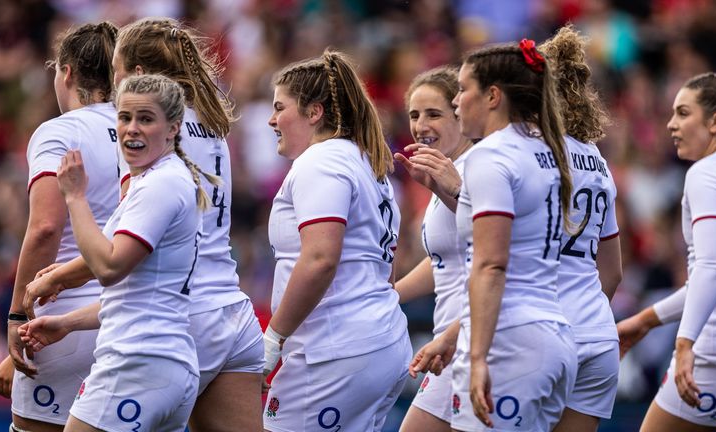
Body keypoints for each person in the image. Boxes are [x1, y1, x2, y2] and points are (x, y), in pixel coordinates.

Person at [20, 74, 212, 431]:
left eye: (146, 119)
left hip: (136, 363)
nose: (132, 129)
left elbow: (108, 268)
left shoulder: (161, 184)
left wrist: (75, 197)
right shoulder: (157, 179)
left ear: (173, 128)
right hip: (163, 365)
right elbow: (137, 294)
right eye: (125, 118)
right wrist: (67, 322)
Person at [111, 18, 264, 432]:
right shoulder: (210, 121)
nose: (114, 86)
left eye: (117, 72)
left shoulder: (143, 130)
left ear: (139, 76)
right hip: (231, 311)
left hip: (178, 316)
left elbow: (124, 250)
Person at [264, 48, 412, 432]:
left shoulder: (322, 161)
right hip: (375, 340)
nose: (271, 119)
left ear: (314, 113)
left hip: (336, 351)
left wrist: (274, 338)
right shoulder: (365, 161)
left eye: (281, 107)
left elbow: (320, 259)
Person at [617, 69, 716, 431]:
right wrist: (645, 321)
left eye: (683, 113)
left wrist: (684, 345)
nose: (669, 124)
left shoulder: (707, 174)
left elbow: (712, 269)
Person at [450, 40, 578, 431]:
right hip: (551, 332)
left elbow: (491, 264)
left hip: (510, 342)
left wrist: (478, 358)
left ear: (492, 96)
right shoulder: (544, 149)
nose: (456, 101)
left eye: (462, 88)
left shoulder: (492, 156)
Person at [5, 22, 120, 432]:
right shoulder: (142, 130)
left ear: (67, 72)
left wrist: (18, 316)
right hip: (129, 316)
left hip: (59, 321)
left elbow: (45, 228)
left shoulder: (60, 131)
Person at [539, 26, 622, 432]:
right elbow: (614, 272)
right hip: (598, 334)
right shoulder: (599, 162)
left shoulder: (532, 151)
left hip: (544, 333)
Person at [392, 65, 472, 432]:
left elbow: (504, 249)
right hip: (454, 342)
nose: (421, 125)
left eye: (434, 114)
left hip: (472, 341)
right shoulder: (445, 171)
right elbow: (444, 259)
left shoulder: (477, 168)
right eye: (414, 115)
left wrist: (454, 335)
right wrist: (392, 295)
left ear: (462, 113)